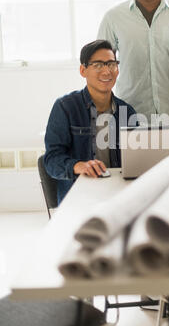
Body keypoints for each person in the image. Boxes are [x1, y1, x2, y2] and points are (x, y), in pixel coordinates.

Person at [44, 40, 136, 204]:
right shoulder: (65, 107)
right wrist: (78, 165)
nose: (107, 70)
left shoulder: (126, 111)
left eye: (111, 64)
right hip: (78, 196)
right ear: (83, 70)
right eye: (98, 65)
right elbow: (52, 160)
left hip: (118, 194)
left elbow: (138, 158)